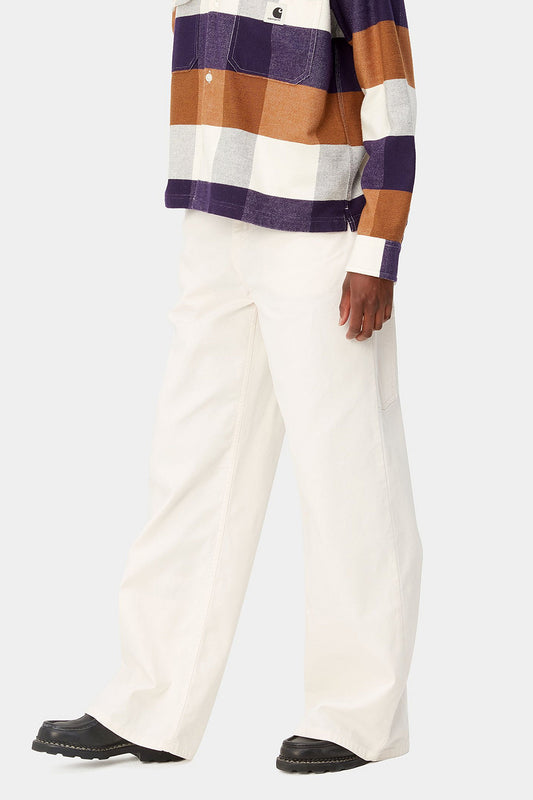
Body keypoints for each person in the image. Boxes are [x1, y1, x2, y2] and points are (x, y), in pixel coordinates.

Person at [32, 0, 423, 774]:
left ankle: (360, 715)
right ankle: (151, 704)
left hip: (318, 223)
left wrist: (376, 248)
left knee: (347, 472)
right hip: (213, 212)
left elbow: (392, 92)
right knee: (189, 463)